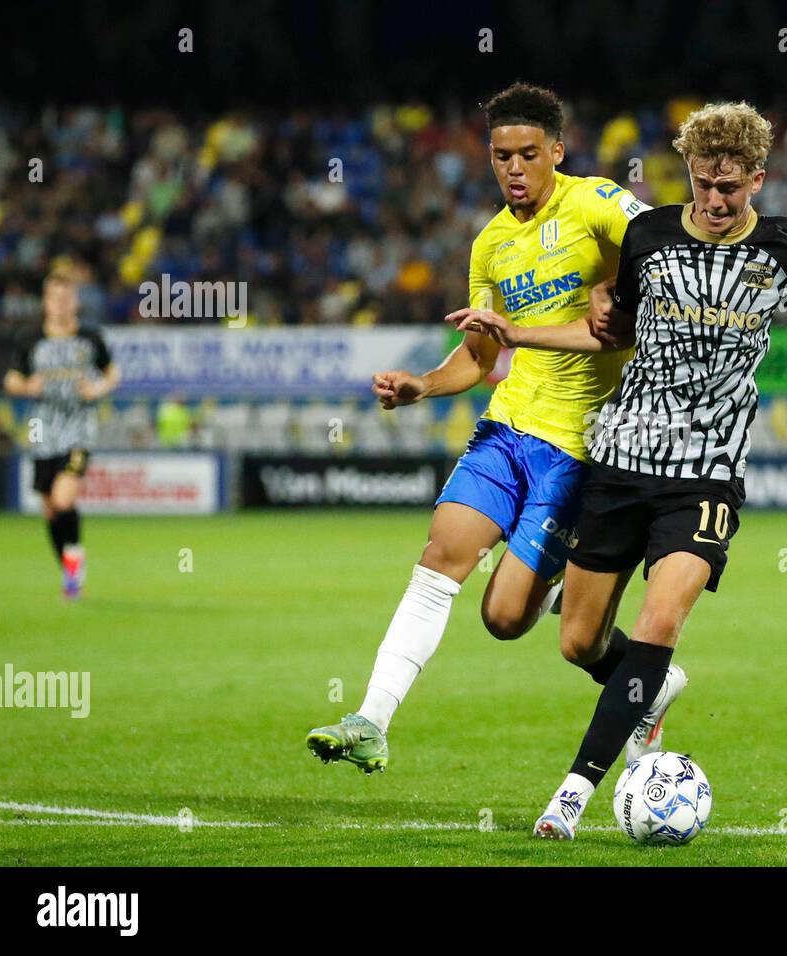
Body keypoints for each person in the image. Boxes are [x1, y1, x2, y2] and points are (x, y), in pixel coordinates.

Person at [451, 101, 787, 839]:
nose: (716, 203)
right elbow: (610, 332)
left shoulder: (783, 246)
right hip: (623, 459)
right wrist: (518, 333)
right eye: (703, 186)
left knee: (662, 618)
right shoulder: (648, 235)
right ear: (689, 175)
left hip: (707, 473)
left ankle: (569, 798)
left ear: (757, 178)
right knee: (577, 640)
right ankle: (650, 691)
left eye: (731, 189)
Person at [304, 83, 667, 774]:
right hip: (506, 430)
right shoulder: (491, 245)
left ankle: (645, 682)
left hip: (580, 448)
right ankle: (371, 719)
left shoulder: (593, 203)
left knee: (504, 619)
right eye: (502, 156)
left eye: (530, 154)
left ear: (557, 151)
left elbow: (662, 236)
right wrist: (423, 384)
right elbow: (480, 356)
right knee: (442, 554)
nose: (515, 168)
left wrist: (620, 283)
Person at [3, 267, 120, 599]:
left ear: (76, 301)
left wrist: (97, 389)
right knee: (49, 507)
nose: (60, 304)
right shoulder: (31, 338)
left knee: (64, 497)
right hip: (41, 427)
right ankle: (70, 570)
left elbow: (113, 373)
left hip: (78, 427)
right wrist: (26, 385)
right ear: (45, 301)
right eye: (54, 297)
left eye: (66, 297)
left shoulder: (90, 337)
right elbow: (11, 379)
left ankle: (74, 562)